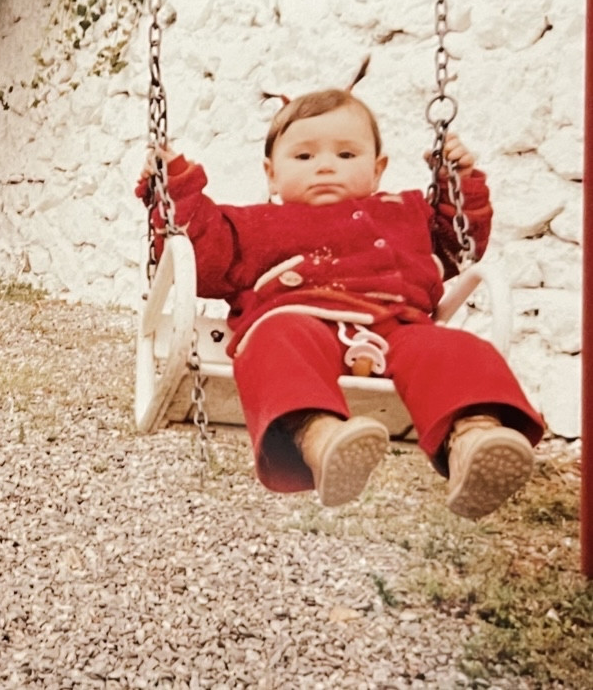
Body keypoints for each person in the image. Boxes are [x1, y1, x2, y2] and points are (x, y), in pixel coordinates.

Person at [135, 81, 544, 518]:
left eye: (347, 155)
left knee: (455, 347)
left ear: (377, 169)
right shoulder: (254, 225)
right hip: (299, 322)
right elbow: (204, 252)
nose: (326, 166)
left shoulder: (405, 213)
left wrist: (457, 183)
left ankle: (473, 439)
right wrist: (173, 187)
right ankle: (321, 439)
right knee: (275, 340)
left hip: (399, 328)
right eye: (304, 156)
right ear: (271, 173)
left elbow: (457, 246)